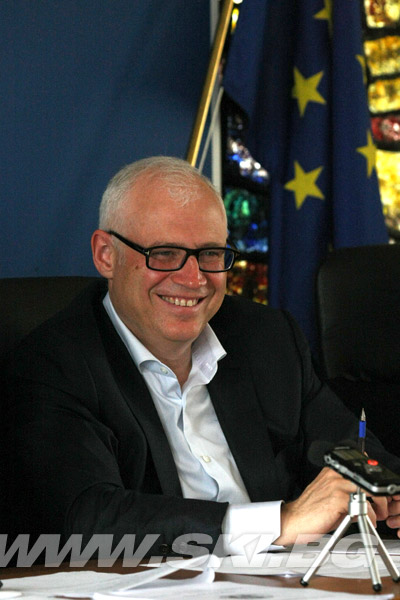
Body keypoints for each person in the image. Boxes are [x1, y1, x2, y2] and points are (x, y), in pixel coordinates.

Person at [3, 156, 400, 559]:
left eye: (210, 253)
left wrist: (388, 492)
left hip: (289, 579)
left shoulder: (267, 338)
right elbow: (89, 517)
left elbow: (354, 453)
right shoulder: (53, 362)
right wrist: (281, 523)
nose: (193, 279)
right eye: (164, 253)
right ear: (106, 254)